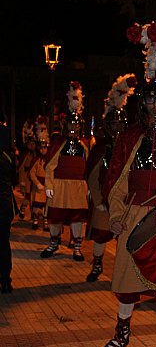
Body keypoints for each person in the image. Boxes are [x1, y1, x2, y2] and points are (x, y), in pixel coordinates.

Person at [95, 22, 156, 347]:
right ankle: (121, 333)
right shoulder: (130, 137)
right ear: (144, 102)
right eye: (152, 98)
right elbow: (116, 180)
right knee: (127, 283)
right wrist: (116, 215)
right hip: (134, 218)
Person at [85, 74, 136, 282]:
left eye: (120, 124)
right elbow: (93, 176)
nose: (117, 128)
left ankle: (122, 275)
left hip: (126, 202)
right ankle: (97, 265)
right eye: (113, 124)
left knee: (125, 240)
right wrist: (98, 201)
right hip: (105, 201)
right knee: (101, 235)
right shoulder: (102, 147)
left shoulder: (131, 146)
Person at [40, 81, 90, 261]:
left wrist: (89, 186)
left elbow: (89, 168)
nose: (73, 128)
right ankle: (53, 243)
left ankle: (77, 247)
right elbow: (50, 167)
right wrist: (49, 185)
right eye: (70, 125)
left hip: (78, 188)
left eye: (76, 125)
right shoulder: (58, 144)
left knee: (77, 219)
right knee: (55, 217)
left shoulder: (84, 146)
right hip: (59, 187)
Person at [0, 124, 17, 293]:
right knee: (4, 243)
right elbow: (14, 179)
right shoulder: (8, 157)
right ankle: (5, 280)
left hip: (4, 205)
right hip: (5, 206)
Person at [29, 138, 49, 231]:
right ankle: (35, 221)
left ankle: (46, 223)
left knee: (46, 206)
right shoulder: (36, 160)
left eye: (44, 148)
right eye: (41, 148)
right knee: (36, 205)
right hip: (37, 186)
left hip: (47, 186)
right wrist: (37, 183)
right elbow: (31, 173)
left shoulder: (49, 160)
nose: (43, 150)